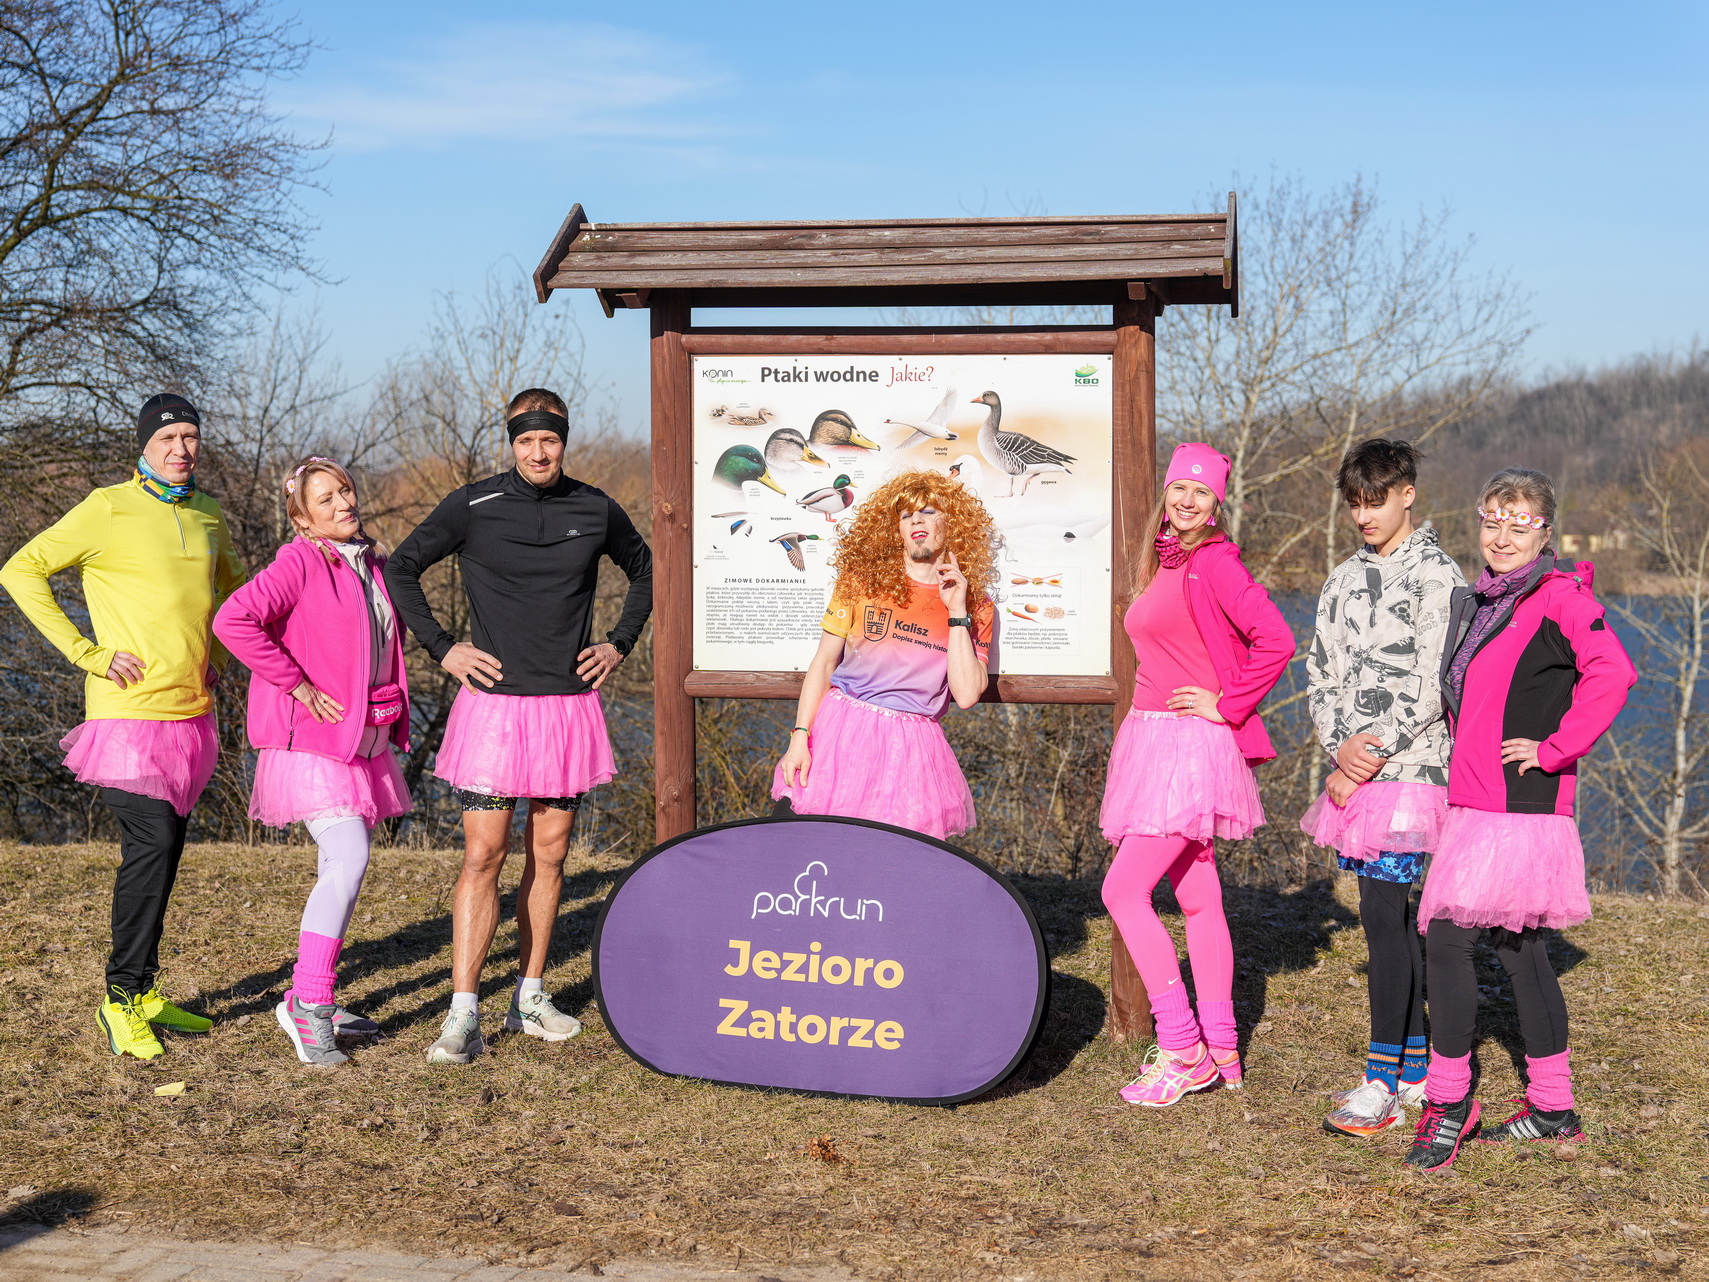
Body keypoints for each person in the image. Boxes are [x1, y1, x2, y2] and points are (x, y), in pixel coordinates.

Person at [385, 389, 653, 1065]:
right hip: (495, 709)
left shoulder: (594, 508)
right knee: (483, 855)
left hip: (566, 707)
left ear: (564, 441)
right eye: (527, 441)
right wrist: (443, 648)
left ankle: (529, 997)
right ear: (512, 441)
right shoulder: (472, 505)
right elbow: (401, 568)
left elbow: (647, 569)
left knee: (552, 854)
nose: (538, 452)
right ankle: (462, 1012)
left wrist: (619, 643)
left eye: (550, 440)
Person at [0, 394, 245, 1059]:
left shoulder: (208, 512)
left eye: (190, 436)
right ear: (144, 444)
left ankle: (142, 990)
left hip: (190, 714)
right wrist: (89, 653)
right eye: (168, 437)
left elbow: (234, 592)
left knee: (167, 852)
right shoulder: (107, 507)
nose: (181, 448)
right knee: (151, 843)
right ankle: (117, 999)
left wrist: (221, 655)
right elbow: (20, 570)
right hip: (127, 713)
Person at [1404, 468, 1634, 1172]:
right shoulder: (1483, 600)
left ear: (1545, 533)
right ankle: (1554, 1108)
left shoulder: (1560, 598)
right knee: (1518, 948)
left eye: (1519, 523)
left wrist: (1557, 748)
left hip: (1518, 802)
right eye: (1493, 520)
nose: (1502, 536)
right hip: (1477, 798)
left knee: (1447, 937)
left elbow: (1614, 673)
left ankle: (1449, 1101)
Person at [1098, 443, 1294, 1107]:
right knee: (1198, 897)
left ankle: (1181, 1047)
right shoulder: (1165, 559)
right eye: (1179, 487)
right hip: (1154, 739)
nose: (1186, 500)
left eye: (1201, 493)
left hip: (1187, 746)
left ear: (1216, 505)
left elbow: (1276, 639)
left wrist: (1227, 704)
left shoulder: (1214, 561)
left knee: (1122, 890)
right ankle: (1223, 1048)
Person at [214, 457, 411, 1066]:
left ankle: (311, 994)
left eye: (345, 491)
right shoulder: (298, 562)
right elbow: (232, 620)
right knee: (349, 857)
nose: (343, 503)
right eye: (325, 499)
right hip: (311, 741)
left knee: (340, 863)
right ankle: (309, 1002)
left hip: (363, 742)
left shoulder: (373, 564)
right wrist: (295, 683)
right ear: (302, 519)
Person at [1301, 440, 1464, 1137]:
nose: (1364, 515)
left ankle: (1380, 1081)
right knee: (1390, 920)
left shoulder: (1440, 576)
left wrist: (1365, 757)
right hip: (1357, 775)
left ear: (1407, 495)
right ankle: (1416, 1066)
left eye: (1377, 500)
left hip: (1412, 774)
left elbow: (1432, 682)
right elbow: (1320, 671)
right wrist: (1338, 745)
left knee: (1382, 913)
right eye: (1355, 504)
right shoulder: (1341, 580)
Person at [773, 470, 997, 840]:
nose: (917, 521)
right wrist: (799, 737)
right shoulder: (862, 580)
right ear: (896, 530)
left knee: (893, 860)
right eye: (906, 515)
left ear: (953, 524)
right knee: (811, 846)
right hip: (840, 734)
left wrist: (957, 611)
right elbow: (824, 663)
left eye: (928, 511)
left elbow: (968, 694)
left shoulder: (977, 604)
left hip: (913, 751)